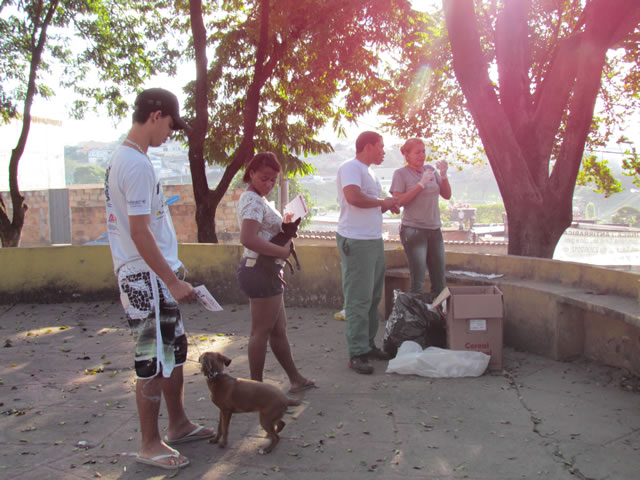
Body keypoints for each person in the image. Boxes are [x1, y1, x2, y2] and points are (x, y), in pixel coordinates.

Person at [104, 88, 214, 470]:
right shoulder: (135, 164)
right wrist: (171, 280)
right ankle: (149, 444)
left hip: (151, 276)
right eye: (170, 124)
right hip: (146, 278)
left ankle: (178, 424)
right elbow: (139, 232)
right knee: (152, 360)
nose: (170, 133)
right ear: (155, 116)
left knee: (174, 353)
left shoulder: (127, 159)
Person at [236, 152, 315, 393]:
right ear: (251, 174)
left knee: (278, 330)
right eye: (264, 178)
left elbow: (263, 233)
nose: (269, 184)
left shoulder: (258, 199)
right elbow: (248, 238)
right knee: (260, 332)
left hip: (266, 271)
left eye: (273, 180)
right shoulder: (252, 201)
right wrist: (281, 251)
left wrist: (286, 224)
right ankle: (256, 389)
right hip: (260, 270)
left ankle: (295, 378)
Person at [336, 131, 400, 374]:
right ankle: (357, 352)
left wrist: (387, 204)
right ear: (368, 146)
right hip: (356, 240)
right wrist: (382, 202)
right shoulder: (351, 167)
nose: (383, 151)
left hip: (373, 239)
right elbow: (353, 197)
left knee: (373, 297)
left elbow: (369, 206)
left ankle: (368, 345)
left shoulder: (370, 173)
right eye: (380, 146)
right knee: (358, 299)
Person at [390, 138, 452, 297]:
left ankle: (437, 311)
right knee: (418, 280)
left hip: (434, 229)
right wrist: (421, 185)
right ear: (407, 155)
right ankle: (415, 312)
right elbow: (399, 201)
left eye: (423, 151)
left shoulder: (430, 169)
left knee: (439, 280)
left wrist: (443, 176)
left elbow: (446, 195)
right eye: (417, 152)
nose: (422, 155)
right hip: (413, 230)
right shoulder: (401, 174)